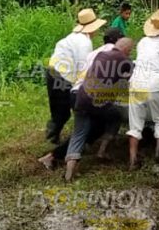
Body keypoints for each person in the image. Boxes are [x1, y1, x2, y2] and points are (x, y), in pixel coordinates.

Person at [39, 28, 123, 170]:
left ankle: (64, 151)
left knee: (84, 127)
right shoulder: (114, 55)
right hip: (90, 94)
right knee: (97, 124)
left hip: (76, 90)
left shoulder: (94, 51)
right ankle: (55, 155)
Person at [63, 37, 135, 181]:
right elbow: (128, 81)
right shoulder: (125, 61)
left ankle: (70, 169)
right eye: (131, 50)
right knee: (115, 116)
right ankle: (103, 150)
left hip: (82, 97)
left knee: (79, 132)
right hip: (100, 101)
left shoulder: (100, 55)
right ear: (127, 50)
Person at [127, 8, 159, 170]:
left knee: (135, 124)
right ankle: (158, 155)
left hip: (136, 82)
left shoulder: (143, 42)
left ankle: (132, 160)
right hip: (156, 83)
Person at [44, 8, 107, 144]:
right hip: (61, 76)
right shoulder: (84, 43)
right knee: (63, 110)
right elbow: (82, 68)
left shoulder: (73, 37)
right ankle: (54, 136)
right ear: (92, 28)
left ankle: (53, 133)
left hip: (52, 71)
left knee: (58, 108)